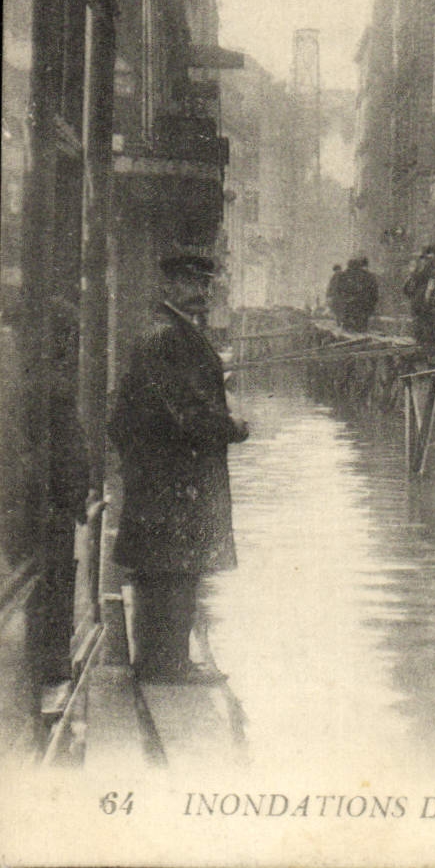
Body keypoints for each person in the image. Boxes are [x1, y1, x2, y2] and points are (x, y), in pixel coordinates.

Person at [109, 247, 249, 685]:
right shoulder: (168, 337)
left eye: (205, 284)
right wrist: (233, 427)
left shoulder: (171, 332)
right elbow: (183, 413)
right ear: (168, 286)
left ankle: (163, 661)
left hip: (166, 474)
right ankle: (166, 665)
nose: (201, 293)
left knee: (170, 567)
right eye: (192, 283)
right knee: (173, 568)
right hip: (174, 475)